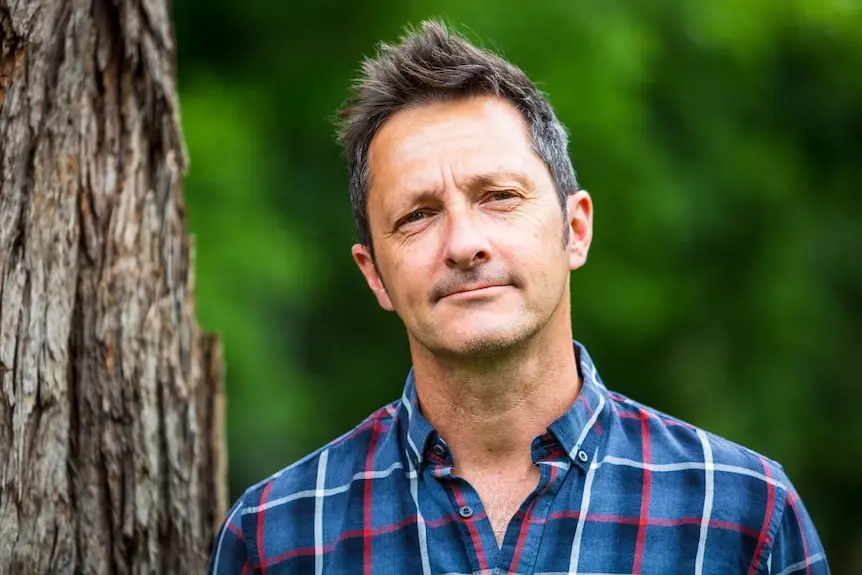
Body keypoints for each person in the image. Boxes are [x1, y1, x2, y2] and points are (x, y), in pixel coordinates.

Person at [208, 19, 829, 575]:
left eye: (498, 197)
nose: (464, 243)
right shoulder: (280, 537)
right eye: (418, 215)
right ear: (374, 275)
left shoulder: (743, 514)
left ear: (575, 228)